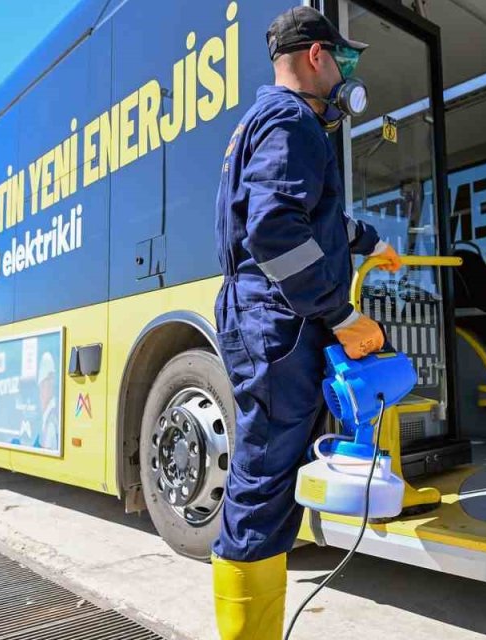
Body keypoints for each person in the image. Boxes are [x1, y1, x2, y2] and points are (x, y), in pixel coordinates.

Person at [210, 7, 402, 638]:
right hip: (278, 317)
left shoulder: (262, 123)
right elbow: (273, 229)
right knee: (263, 478)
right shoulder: (294, 120)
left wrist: (368, 240)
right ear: (317, 56)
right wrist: (341, 313)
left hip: (268, 312)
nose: (346, 72)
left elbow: (310, 216)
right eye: (342, 59)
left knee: (269, 470)